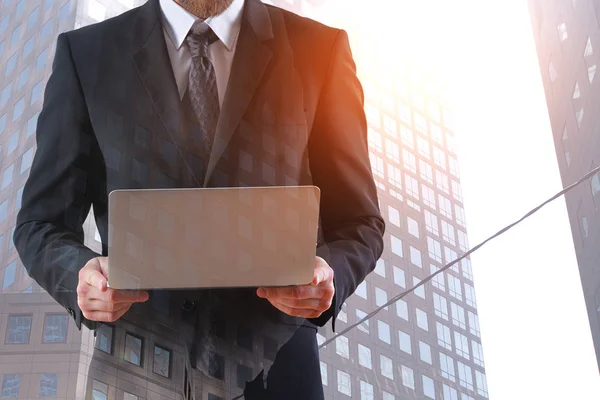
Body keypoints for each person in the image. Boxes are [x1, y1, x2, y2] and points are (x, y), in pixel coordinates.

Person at [14, 0, 384, 398]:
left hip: (276, 377)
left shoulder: (320, 51)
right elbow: (40, 223)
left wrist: (329, 273)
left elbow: (359, 221)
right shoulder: (87, 54)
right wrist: (79, 275)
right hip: (137, 372)